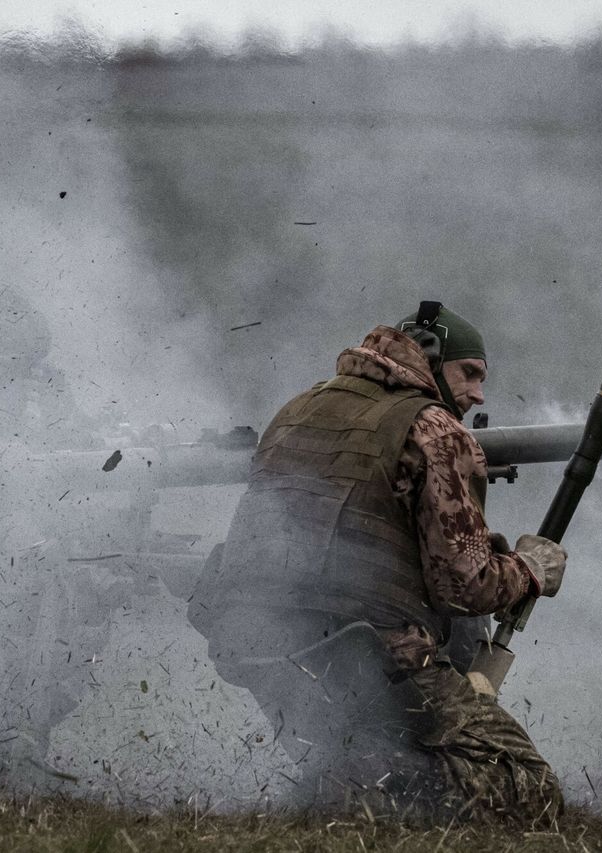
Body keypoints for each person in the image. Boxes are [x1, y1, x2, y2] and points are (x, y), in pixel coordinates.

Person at [187, 301, 567, 823]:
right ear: (431, 360)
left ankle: (348, 769)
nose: (478, 393)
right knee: (531, 789)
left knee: (377, 739)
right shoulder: (435, 429)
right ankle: (358, 786)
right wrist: (530, 569)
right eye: (470, 373)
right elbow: (465, 588)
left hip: (257, 644)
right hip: (366, 650)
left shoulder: (298, 406)